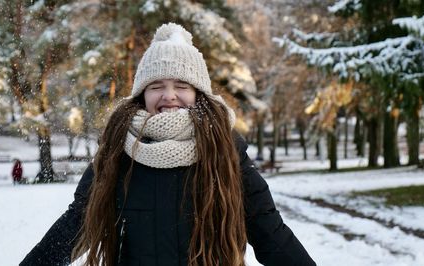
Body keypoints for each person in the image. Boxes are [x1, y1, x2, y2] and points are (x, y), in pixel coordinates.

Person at [21, 23, 315, 266]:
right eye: (156, 86)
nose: (169, 96)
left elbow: (267, 230)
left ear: (199, 94)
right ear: (142, 94)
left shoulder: (225, 150)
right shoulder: (119, 149)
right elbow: (78, 222)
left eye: (182, 86)